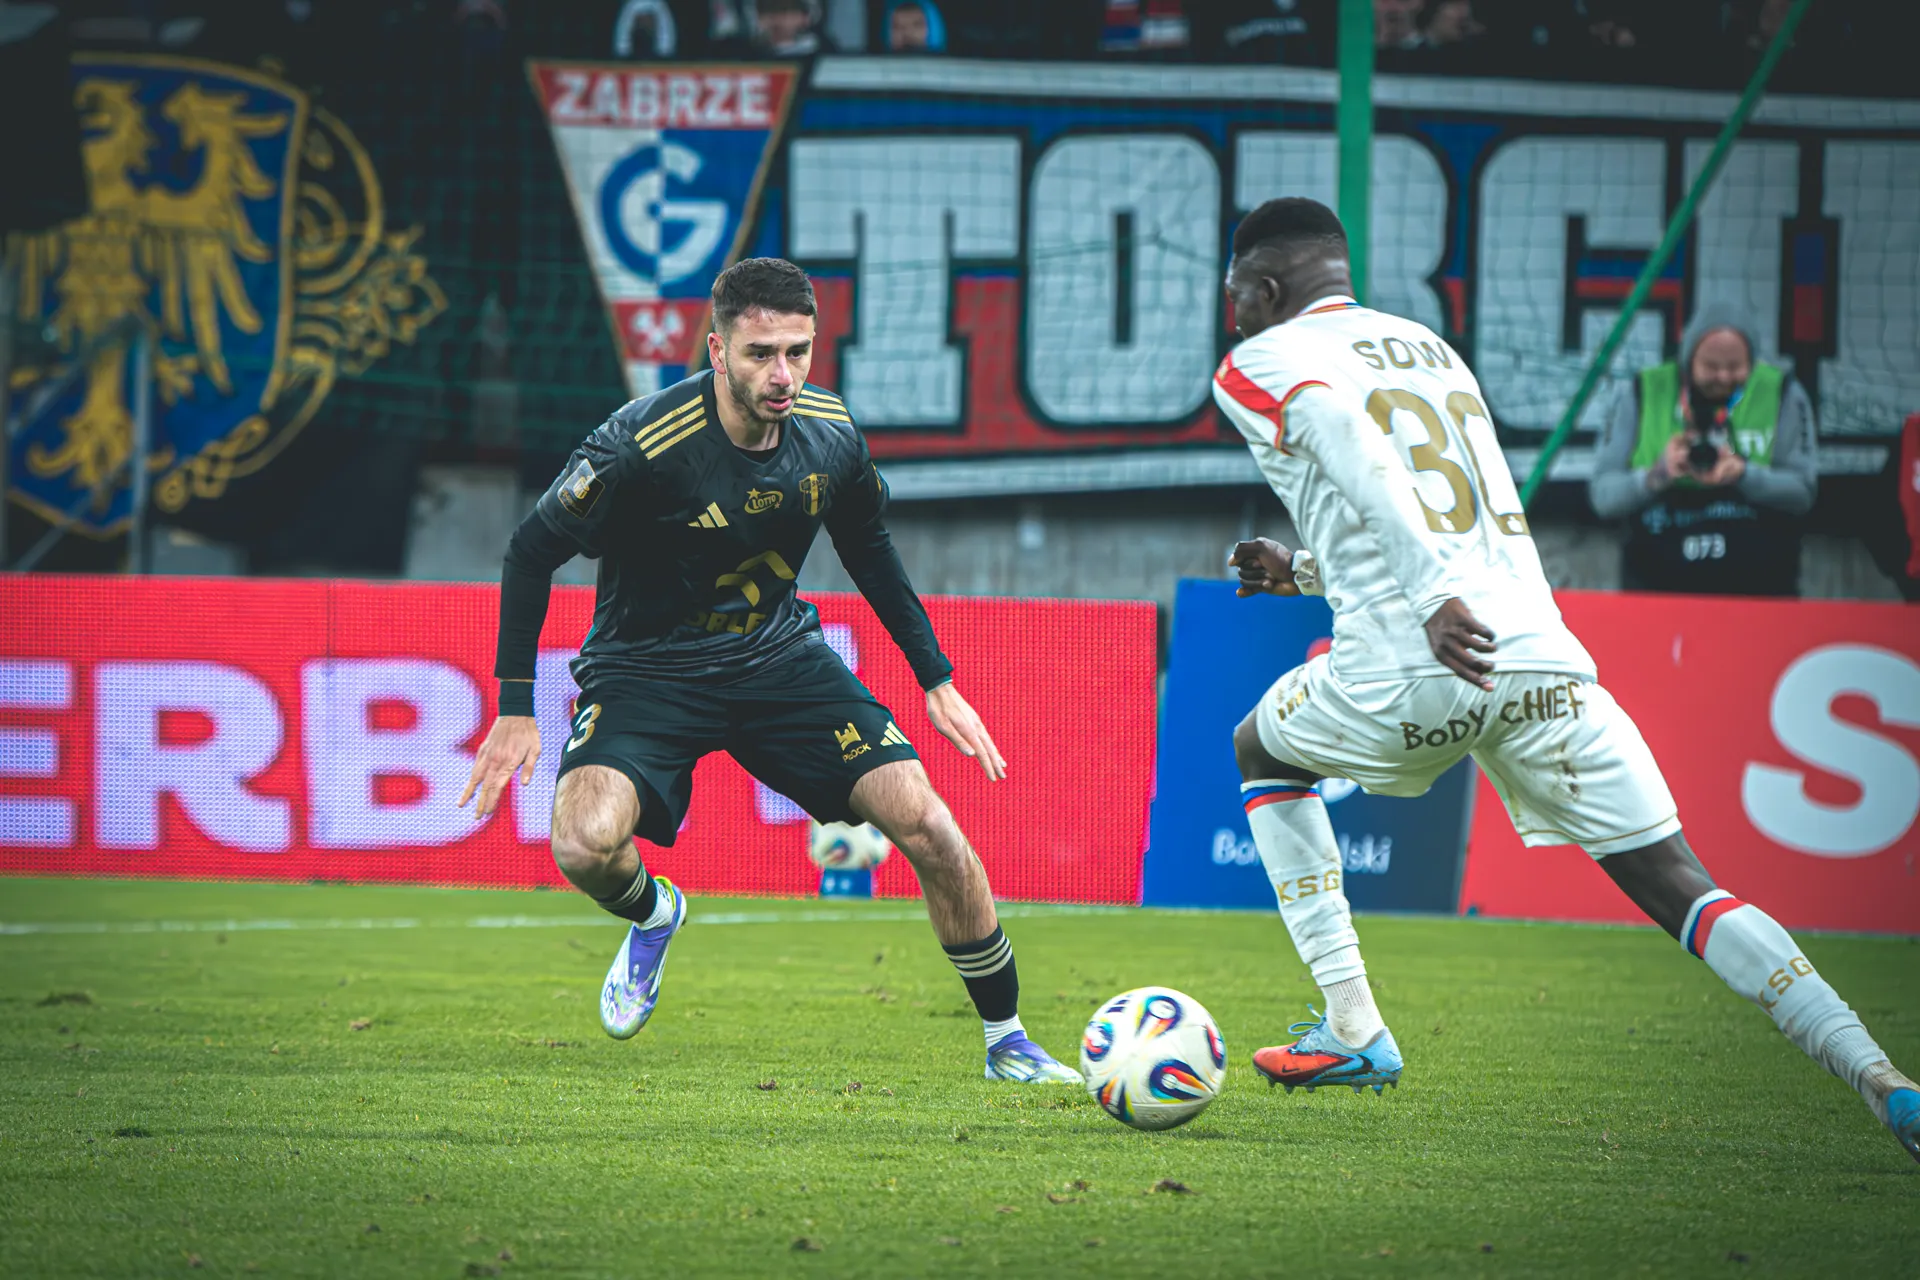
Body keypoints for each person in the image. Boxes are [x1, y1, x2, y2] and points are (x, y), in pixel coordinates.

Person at [1209, 197, 1917, 1162]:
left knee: (1260, 748)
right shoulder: (1429, 349)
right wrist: (1301, 572)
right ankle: (1880, 1077)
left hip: (1418, 661)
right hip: (1539, 657)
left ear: (1266, 288)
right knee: (1685, 885)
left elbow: (1355, 449)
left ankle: (1354, 1027)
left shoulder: (1261, 362)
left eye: (1235, 297)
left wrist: (1431, 600)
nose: (1232, 316)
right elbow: (1445, 517)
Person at [458, 258, 1079, 1085]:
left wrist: (935, 677)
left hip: (778, 660)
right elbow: (530, 551)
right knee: (581, 845)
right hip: (645, 673)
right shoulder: (639, 444)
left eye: (798, 351)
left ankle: (1009, 1042)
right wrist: (514, 706)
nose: (783, 375)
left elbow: (868, 545)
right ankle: (654, 914)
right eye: (760, 354)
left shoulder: (830, 431)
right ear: (717, 351)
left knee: (931, 828)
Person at [1589, 305, 1817, 596]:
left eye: (1735, 367)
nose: (1723, 377)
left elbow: (1803, 493)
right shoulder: (1641, 390)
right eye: (1711, 366)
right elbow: (1603, 498)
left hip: (1758, 587)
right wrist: (1657, 475)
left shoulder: (1782, 392)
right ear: (1688, 359)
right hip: (1658, 582)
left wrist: (1744, 474)